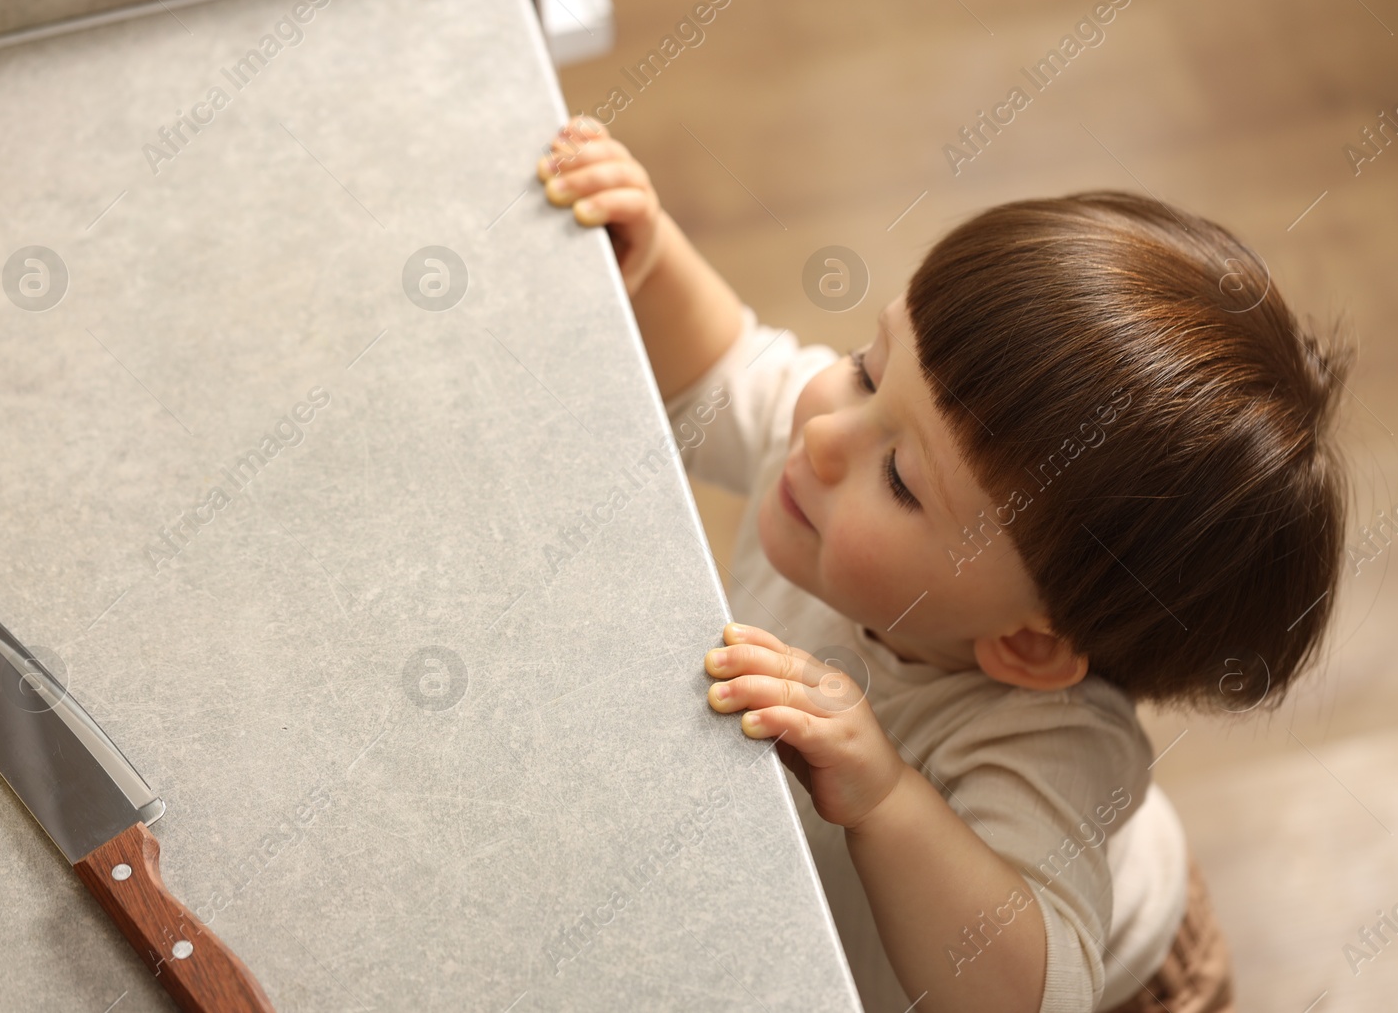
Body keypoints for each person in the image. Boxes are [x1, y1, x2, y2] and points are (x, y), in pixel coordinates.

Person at [536, 116, 1352, 1012]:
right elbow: (729, 363)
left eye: (901, 477)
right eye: (866, 365)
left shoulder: (1053, 748)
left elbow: (1026, 996)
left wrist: (886, 798)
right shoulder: (840, 452)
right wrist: (649, 257)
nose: (823, 433)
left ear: (1027, 647)